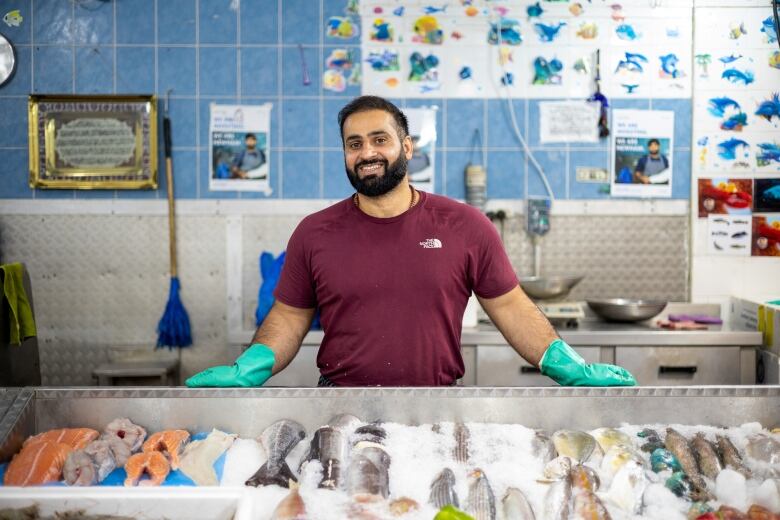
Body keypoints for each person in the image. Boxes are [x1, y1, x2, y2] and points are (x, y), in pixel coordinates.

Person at [186, 96, 636, 388]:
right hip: (340, 406)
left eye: (380, 140)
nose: (367, 153)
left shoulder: (466, 226)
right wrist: (253, 364)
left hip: (437, 403)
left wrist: (565, 363)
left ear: (407, 147)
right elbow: (287, 317)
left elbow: (512, 308)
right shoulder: (314, 232)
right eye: (354, 143)